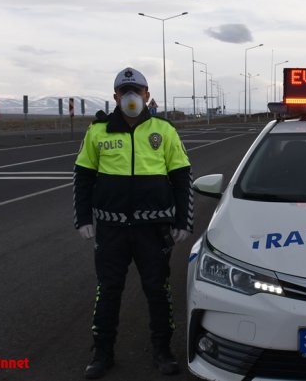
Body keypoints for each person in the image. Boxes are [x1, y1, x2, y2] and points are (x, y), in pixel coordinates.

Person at [73, 67, 194, 379]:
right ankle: (101, 354)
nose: (131, 97)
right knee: (109, 290)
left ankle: (162, 351)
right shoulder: (98, 131)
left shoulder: (163, 130)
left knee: (157, 289)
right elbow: (83, 177)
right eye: (124, 92)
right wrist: (83, 218)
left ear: (147, 96)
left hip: (153, 230)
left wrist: (184, 219)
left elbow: (181, 176)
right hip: (111, 229)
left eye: (136, 91)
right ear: (115, 97)